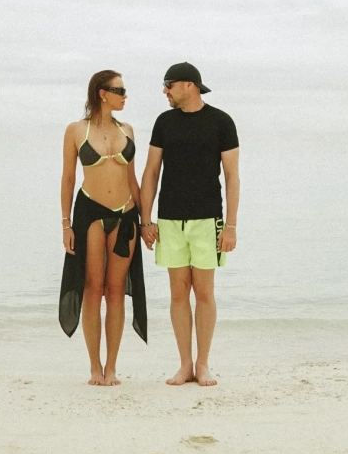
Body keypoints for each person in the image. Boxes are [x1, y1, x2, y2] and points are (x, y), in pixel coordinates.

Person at [139, 62, 239, 387]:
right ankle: (185, 365)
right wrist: (145, 220)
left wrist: (231, 226)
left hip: (208, 219)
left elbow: (232, 176)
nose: (164, 91)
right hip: (169, 220)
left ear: (189, 85)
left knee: (205, 292)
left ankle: (203, 364)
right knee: (178, 293)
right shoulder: (164, 122)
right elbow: (151, 172)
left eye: (168, 85)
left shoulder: (221, 122)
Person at [58, 70, 146, 385]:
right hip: (90, 213)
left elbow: (132, 179)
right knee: (93, 289)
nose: (125, 96)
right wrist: (66, 223)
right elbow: (69, 178)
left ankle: (112, 367)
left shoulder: (128, 130)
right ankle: (95, 367)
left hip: (126, 214)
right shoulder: (75, 130)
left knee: (116, 291)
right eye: (120, 90)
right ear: (102, 93)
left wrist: (146, 221)